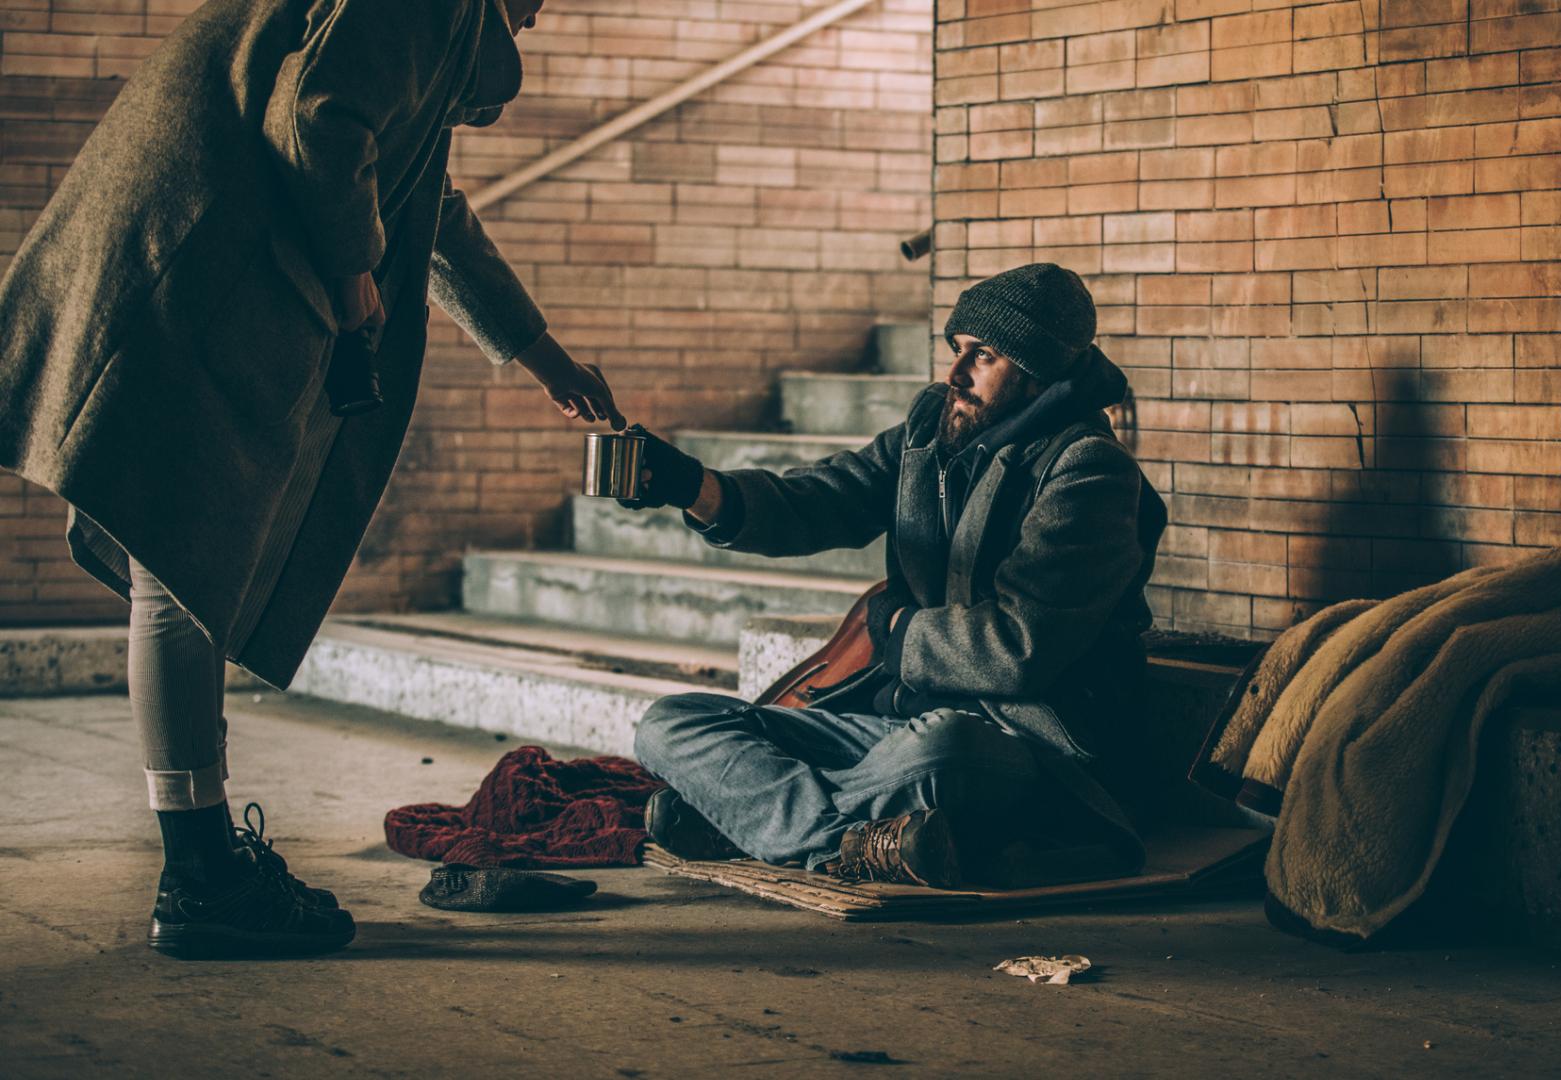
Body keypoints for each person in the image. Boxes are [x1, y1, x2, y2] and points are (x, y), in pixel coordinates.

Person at [0, 0, 620, 958]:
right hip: (204, 268)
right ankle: (200, 878)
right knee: (182, 566)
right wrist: (350, 271)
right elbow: (322, 118)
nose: (544, 10)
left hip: (193, 256)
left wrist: (546, 359)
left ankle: (201, 862)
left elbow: (426, 206)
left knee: (179, 568)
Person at [624, 264, 1166, 888]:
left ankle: (754, 820)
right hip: (888, 725)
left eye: (982, 356)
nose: (955, 374)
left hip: (1025, 742)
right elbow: (818, 501)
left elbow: (1019, 649)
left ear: (1036, 369)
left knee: (940, 750)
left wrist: (896, 629)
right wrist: (691, 486)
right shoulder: (929, 430)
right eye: (957, 350)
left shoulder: (1088, 472)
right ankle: (848, 842)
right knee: (670, 724)